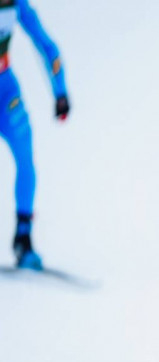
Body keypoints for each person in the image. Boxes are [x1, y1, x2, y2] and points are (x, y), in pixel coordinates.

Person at [0, 0, 70, 269]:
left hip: (6, 89)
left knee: (26, 157)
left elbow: (46, 46)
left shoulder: (17, 5)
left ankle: (23, 237)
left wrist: (60, 92)